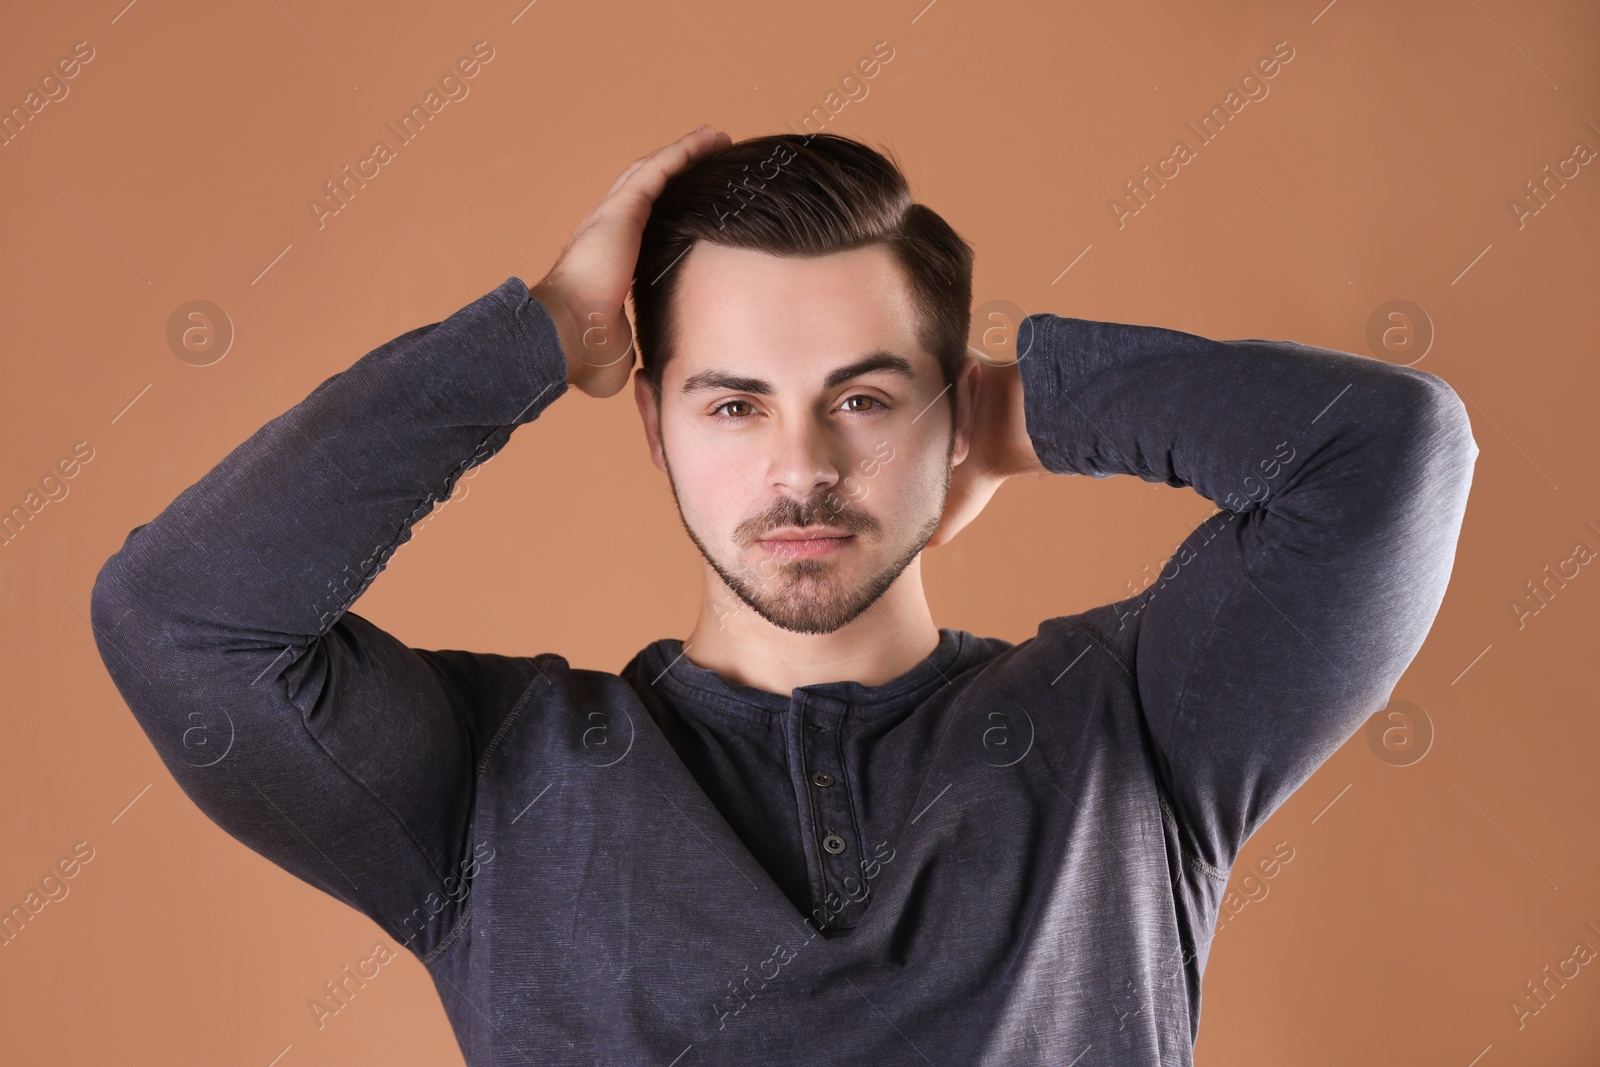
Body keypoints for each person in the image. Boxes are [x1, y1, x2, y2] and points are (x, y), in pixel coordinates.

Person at [90, 125, 1478, 1065]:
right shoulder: (487, 788)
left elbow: (1390, 454)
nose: (800, 467)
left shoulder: (1139, 732)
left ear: (947, 418)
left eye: (862, 400)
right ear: (653, 426)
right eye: (735, 403)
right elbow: (182, 618)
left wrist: (1028, 411)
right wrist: (540, 333)